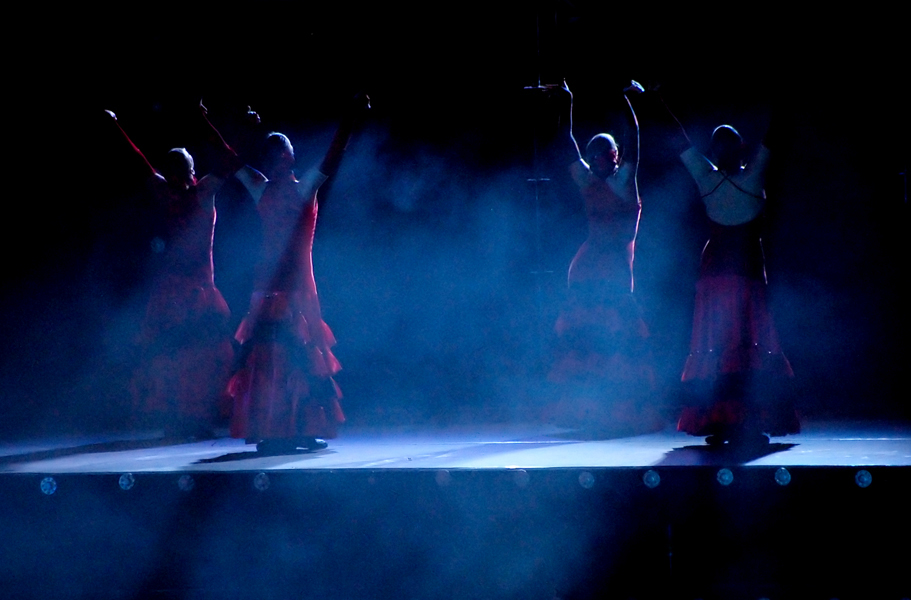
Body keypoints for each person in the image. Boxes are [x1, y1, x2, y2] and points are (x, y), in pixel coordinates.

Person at [228, 94, 368, 454]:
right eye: (270, 155)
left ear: (290, 157)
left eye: (281, 153)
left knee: (300, 358)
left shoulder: (305, 186)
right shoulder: (260, 188)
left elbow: (333, 157)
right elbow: (231, 159)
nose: (276, 159)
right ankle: (269, 428)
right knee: (269, 359)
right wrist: (232, 126)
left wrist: (349, 118)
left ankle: (302, 428)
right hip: (269, 288)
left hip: (299, 287)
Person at [105, 103, 246, 437]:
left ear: (190, 169)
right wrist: (115, 127)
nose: (173, 172)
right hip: (174, 289)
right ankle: (177, 418)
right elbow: (137, 160)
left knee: (200, 357)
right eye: (170, 167)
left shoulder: (203, 192)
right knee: (174, 357)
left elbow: (230, 161)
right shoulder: (168, 191)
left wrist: (213, 121)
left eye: (178, 167)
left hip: (198, 288)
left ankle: (200, 417)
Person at [663, 102, 799, 446]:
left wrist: (653, 100)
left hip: (717, 278)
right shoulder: (750, 176)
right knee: (746, 348)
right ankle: (745, 420)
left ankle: (724, 419)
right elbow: (772, 136)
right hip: (743, 276)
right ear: (740, 150)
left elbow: (681, 140)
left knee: (720, 349)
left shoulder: (707, 179)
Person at [546, 82, 656, 433]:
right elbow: (567, 143)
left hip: (612, 272)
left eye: (601, 155)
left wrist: (624, 100)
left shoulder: (621, 181)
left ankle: (614, 411)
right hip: (591, 271)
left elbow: (632, 140)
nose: (595, 161)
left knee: (613, 341)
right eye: (592, 156)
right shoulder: (593, 181)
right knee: (591, 341)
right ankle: (590, 410)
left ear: (613, 156)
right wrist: (568, 102)